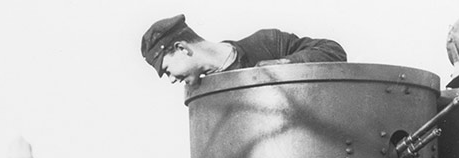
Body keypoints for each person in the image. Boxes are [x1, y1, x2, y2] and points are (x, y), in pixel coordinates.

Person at [140, 14, 347, 84]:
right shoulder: (201, 92)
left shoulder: (267, 43)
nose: (173, 79)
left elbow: (333, 52)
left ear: (181, 48)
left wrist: (283, 66)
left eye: (167, 70)